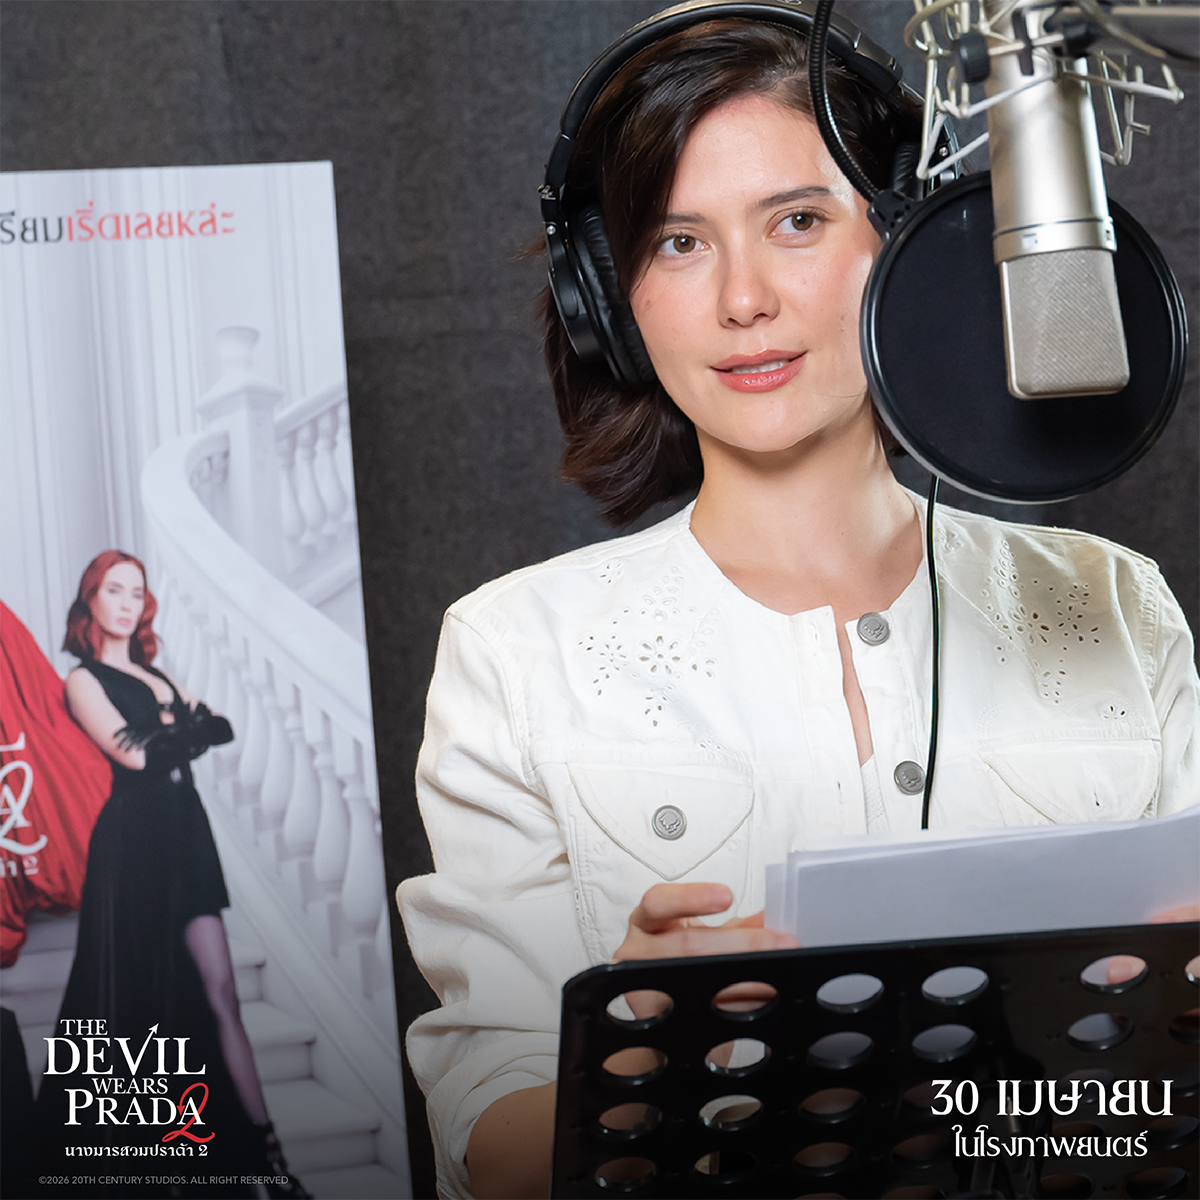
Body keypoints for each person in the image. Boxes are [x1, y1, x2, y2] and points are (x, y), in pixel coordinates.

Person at [398, 8, 1200, 1200]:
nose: (744, 299)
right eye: (679, 242)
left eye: (797, 221)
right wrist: (646, 1048)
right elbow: (491, 1144)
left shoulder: (1112, 602)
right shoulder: (515, 653)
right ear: (609, 297)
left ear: (911, 245)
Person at [35, 550, 310, 1199]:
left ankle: (267, 1159)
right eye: (114, 590)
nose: (127, 603)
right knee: (137, 1000)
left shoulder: (156, 673)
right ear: (91, 599)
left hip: (186, 836)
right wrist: (179, 726)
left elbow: (221, 725)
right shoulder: (82, 679)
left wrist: (174, 728)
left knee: (221, 991)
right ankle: (153, 1165)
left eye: (137, 592)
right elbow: (135, 756)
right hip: (132, 846)